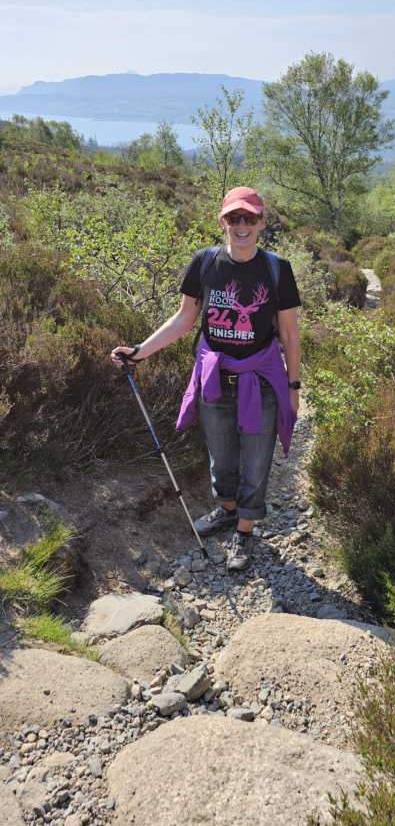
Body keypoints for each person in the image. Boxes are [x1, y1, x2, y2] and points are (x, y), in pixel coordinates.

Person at [111, 186, 302, 571]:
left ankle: (245, 533)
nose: (242, 225)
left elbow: (289, 334)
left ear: (262, 222)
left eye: (250, 218)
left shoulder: (278, 269)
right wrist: (140, 351)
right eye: (234, 218)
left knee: (257, 458)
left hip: (261, 381)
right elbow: (184, 319)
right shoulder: (205, 262)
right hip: (214, 378)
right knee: (221, 458)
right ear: (223, 222)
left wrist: (293, 387)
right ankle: (228, 510)